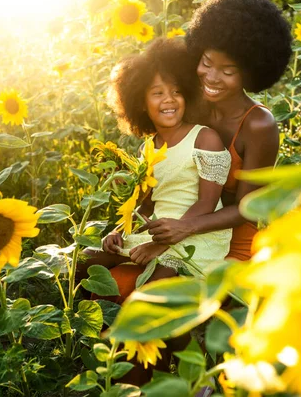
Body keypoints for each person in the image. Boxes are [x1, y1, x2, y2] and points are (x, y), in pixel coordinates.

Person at [82, 37, 232, 302]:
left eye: (176, 91)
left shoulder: (204, 139)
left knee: (151, 291)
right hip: (156, 231)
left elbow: (207, 204)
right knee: (84, 260)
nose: (169, 100)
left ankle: (140, 334)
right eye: (158, 93)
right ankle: (85, 332)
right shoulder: (148, 148)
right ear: (140, 102)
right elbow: (148, 205)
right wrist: (119, 231)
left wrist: (161, 244)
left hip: (195, 235)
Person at [142, 0, 293, 261]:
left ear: (250, 72)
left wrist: (185, 228)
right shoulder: (192, 105)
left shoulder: (258, 125)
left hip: (233, 241)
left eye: (227, 70)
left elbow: (249, 208)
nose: (211, 77)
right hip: (176, 226)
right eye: (207, 63)